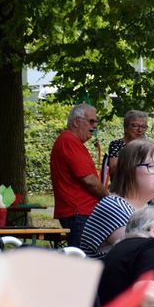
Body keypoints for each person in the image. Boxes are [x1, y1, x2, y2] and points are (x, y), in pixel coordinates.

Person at [79, 140, 154, 258]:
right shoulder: (114, 206)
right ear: (130, 170)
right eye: (151, 166)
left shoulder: (147, 211)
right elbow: (143, 256)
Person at [50, 103, 109, 248]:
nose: (95, 126)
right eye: (91, 121)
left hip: (78, 213)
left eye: (96, 122)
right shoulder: (69, 141)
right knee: (82, 258)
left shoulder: (70, 141)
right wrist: (110, 199)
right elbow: (89, 180)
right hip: (78, 213)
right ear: (77, 122)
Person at [107, 110, 148, 179]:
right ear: (125, 127)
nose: (140, 130)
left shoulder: (147, 146)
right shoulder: (116, 145)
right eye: (135, 126)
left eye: (143, 126)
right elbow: (113, 169)